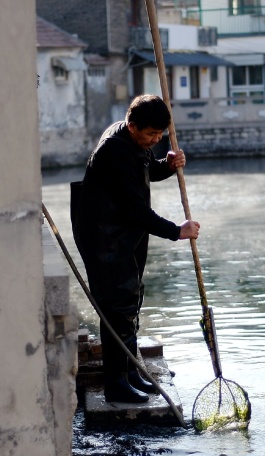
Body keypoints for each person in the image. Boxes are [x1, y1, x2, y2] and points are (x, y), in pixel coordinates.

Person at [71, 94, 200, 403]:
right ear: (131, 125)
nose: (155, 140)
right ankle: (116, 383)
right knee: (117, 308)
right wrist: (176, 231)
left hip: (124, 233)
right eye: (150, 135)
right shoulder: (114, 150)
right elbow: (136, 210)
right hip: (105, 236)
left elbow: (143, 172)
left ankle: (128, 373)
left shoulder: (130, 140)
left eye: (159, 136)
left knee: (130, 302)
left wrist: (166, 166)